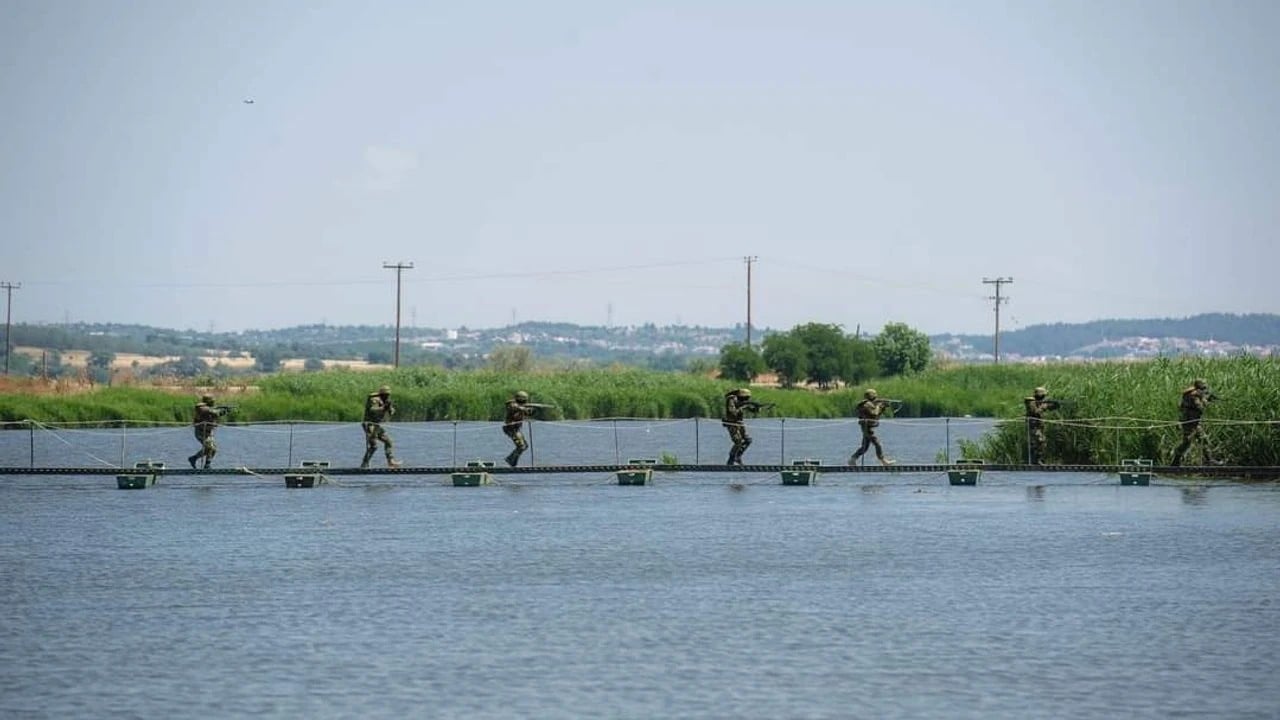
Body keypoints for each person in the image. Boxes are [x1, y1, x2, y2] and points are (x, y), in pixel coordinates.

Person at [1171, 379, 1217, 466]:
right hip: (1189, 422)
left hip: (1195, 423)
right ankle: (1176, 460)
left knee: (1203, 439)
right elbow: (1200, 407)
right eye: (1203, 388)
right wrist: (1206, 400)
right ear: (1198, 388)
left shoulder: (1194, 394)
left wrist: (1206, 398)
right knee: (1187, 442)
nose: (1204, 390)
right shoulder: (1193, 396)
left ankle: (1210, 460)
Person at [848, 389, 895, 466]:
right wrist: (879, 406)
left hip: (868, 427)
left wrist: (883, 407)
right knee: (877, 444)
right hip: (867, 428)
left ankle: (852, 459)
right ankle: (883, 461)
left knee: (865, 447)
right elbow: (874, 413)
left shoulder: (869, 404)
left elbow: (876, 415)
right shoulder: (866, 404)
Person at [361, 385, 402, 468]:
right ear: (381, 394)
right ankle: (364, 463)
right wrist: (383, 408)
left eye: (388, 394)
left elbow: (391, 412)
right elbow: (373, 410)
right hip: (370, 425)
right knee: (374, 446)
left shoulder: (386, 400)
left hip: (377, 425)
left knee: (388, 442)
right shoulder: (375, 400)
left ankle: (391, 461)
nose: (387, 396)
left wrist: (389, 408)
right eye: (385, 394)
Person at [722, 387, 765, 465]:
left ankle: (738, 457)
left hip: (740, 424)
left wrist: (757, 408)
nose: (746, 400)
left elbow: (752, 410)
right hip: (732, 423)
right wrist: (744, 406)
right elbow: (733, 412)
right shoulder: (731, 399)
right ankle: (731, 459)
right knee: (738, 441)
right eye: (745, 398)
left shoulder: (741, 402)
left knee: (748, 440)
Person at [187, 394, 229, 469]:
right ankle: (206, 465)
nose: (214, 402)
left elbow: (215, 414)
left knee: (212, 449)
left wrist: (225, 411)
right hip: (201, 432)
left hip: (209, 432)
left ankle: (195, 459)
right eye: (212, 401)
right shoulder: (201, 408)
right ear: (208, 401)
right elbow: (214, 413)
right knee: (210, 447)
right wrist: (222, 411)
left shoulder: (209, 408)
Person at [503, 390, 543, 467]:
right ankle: (511, 460)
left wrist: (533, 410)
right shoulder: (511, 404)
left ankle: (511, 459)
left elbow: (528, 413)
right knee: (521, 446)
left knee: (525, 446)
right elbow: (514, 407)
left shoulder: (522, 406)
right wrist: (523, 408)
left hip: (516, 429)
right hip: (510, 428)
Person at [1023, 386, 1061, 465]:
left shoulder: (1040, 403)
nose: (1044, 397)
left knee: (1041, 442)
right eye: (1043, 395)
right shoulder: (1031, 401)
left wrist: (1054, 405)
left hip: (1039, 426)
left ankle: (1039, 460)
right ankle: (1036, 461)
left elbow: (1051, 408)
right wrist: (1044, 407)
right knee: (1039, 441)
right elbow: (1035, 412)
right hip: (1033, 426)